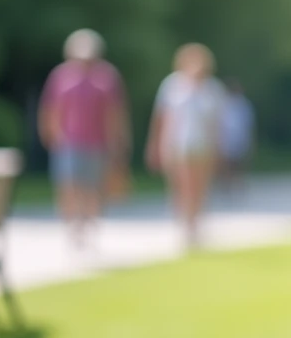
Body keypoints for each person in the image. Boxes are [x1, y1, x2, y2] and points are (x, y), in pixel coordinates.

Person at [38, 29, 130, 248]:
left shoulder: (107, 77)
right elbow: (50, 108)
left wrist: (118, 142)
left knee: (92, 186)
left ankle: (88, 224)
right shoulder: (60, 76)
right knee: (68, 185)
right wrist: (49, 134)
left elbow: (115, 113)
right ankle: (72, 226)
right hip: (67, 142)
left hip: (98, 142)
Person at [146, 43, 225, 248]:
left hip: (203, 144)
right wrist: (155, 144)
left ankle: (195, 224)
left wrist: (218, 147)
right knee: (180, 186)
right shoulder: (172, 85)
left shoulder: (212, 88)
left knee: (198, 187)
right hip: (177, 144)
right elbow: (161, 118)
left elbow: (216, 121)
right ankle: (183, 224)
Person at [218, 78, 255, 192]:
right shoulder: (223, 104)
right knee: (228, 163)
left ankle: (238, 183)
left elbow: (248, 123)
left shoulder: (244, 104)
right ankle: (227, 184)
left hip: (239, 138)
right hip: (227, 138)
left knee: (239, 163)